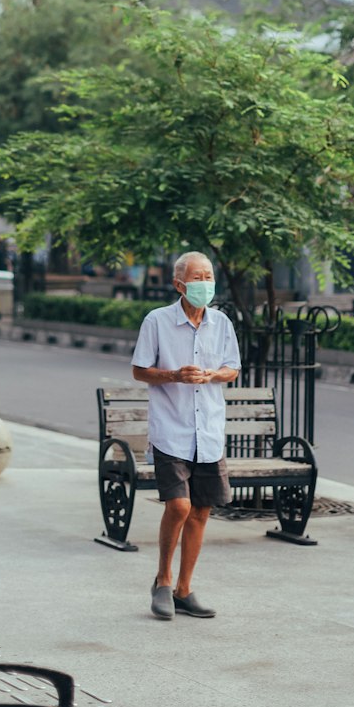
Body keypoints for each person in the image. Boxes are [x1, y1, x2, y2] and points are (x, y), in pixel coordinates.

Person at [131, 251, 241, 621]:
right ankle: (162, 581)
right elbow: (139, 370)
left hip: (208, 430)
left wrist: (212, 374)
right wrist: (174, 375)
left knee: (201, 512)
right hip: (171, 429)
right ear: (179, 285)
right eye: (198, 278)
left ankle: (184, 589)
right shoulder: (157, 321)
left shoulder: (222, 322)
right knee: (179, 506)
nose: (205, 283)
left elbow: (233, 369)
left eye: (209, 276)